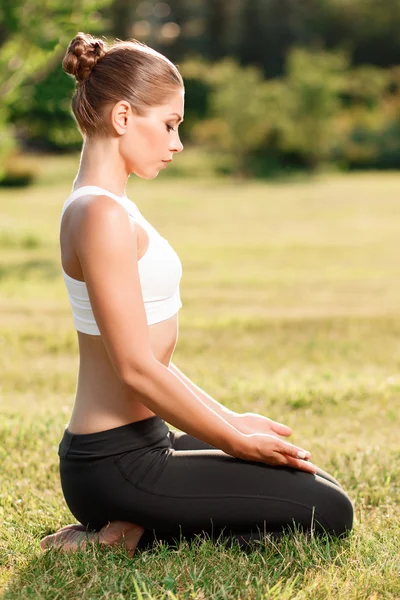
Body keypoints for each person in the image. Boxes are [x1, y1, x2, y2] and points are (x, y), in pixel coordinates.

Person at [40, 32, 353, 555]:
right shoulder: (98, 215)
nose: (177, 142)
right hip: (115, 463)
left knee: (319, 487)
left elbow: (152, 357)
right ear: (122, 118)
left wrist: (231, 420)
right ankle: (122, 534)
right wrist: (234, 442)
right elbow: (136, 368)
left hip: (148, 440)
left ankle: (136, 524)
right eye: (169, 124)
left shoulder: (113, 208)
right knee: (329, 514)